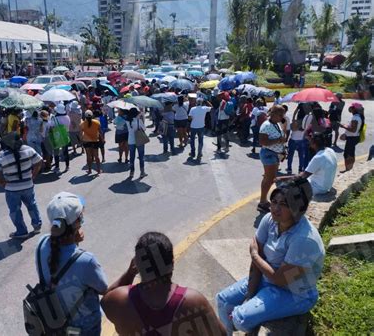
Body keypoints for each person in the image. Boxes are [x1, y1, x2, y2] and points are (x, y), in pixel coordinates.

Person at [217, 178, 325, 334]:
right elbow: (257, 265)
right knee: (223, 299)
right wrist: (250, 294)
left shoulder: (304, 239)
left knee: (239, 318)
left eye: (284, 204)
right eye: (274, 201)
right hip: (267, 279)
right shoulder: (270, 220)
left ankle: (240, 323)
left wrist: (254, 254)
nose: (275, 208)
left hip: (294, 293)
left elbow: (280, 279)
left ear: (297, 208)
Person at [102, 232, 226, 335]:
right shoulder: (192, 301)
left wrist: (130, 273)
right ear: (171, 264)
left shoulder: (117, 300)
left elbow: (105, 301)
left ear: (137, 265)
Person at [35, 192, 109, 335]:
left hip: (54, 322)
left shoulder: (41, 243)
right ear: (77, 222)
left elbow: (60, 259)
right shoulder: (86, 261)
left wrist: (74, 242)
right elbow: (103, 289)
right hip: (84, 327)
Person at [0, 132, 43, 239]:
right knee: (32, 205)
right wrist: (33, 175)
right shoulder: (28, 150)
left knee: (15, 210)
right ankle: (37, 226)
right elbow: (39, 161)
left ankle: (21, 231)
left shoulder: (2, 155)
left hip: (12, 189)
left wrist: (0, 182)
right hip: (28, 185)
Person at [257, 105, 286, 213]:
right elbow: (263, 142)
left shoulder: (276, 124)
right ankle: (262, 202)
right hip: (269, 154)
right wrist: (279, 140)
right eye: (280, 115)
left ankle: (263, 200)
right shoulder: (266, 125)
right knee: (269, 178)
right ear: (273, 114)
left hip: (275, 154)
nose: (282, 117)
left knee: (270, 177)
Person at [340, 102, 365, 172]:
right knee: (350, 153)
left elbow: (353, 130)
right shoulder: (359, 116)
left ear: (354, 109)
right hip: (354, 137)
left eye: (351, 108)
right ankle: (349, 169)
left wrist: (343, 126)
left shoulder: (355, 117)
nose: (350, 109)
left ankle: (348, 170)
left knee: (347, 154)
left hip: (352, 138)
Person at [80, 110, 103, 175]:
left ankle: (89, 170)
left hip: (86, 141)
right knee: (96, 156)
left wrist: (81, 140)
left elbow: (81, 134)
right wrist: (102, 139)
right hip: (95, 141)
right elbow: (100, 132)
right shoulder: (97, 122)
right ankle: (98, 170)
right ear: (92, 115)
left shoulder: (82, 124)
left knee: (88, 156)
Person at [126, 107, 146, 179]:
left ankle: (132, 172)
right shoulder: (139, 121)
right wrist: (142, 118)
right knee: (141, 157)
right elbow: (144, 129)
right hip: (139, 140)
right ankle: (142, 172)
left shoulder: (128, 121)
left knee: (132, 157)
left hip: (131, 140)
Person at [51, 104, 71, 173]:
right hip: (65, 135)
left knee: (56, 152)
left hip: (57, 136)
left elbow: (52, 127)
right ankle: (67, 166)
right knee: (65, 152)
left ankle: (57, 167)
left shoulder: (55, 118)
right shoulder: (67, 117)